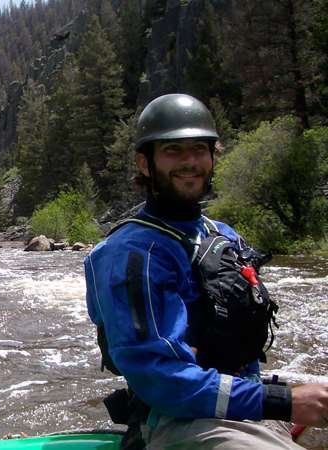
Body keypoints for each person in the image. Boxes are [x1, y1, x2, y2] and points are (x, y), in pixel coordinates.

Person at [84, 93, 328, 449]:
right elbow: (159, 377)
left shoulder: (223, 235)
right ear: (145, 163)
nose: (189, 162)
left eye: (199, 149)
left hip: (245, 405)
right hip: (178, 419)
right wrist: (285, 401)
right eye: (173, 151)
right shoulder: (133, 253)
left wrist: (278, 401)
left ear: (214, 155)